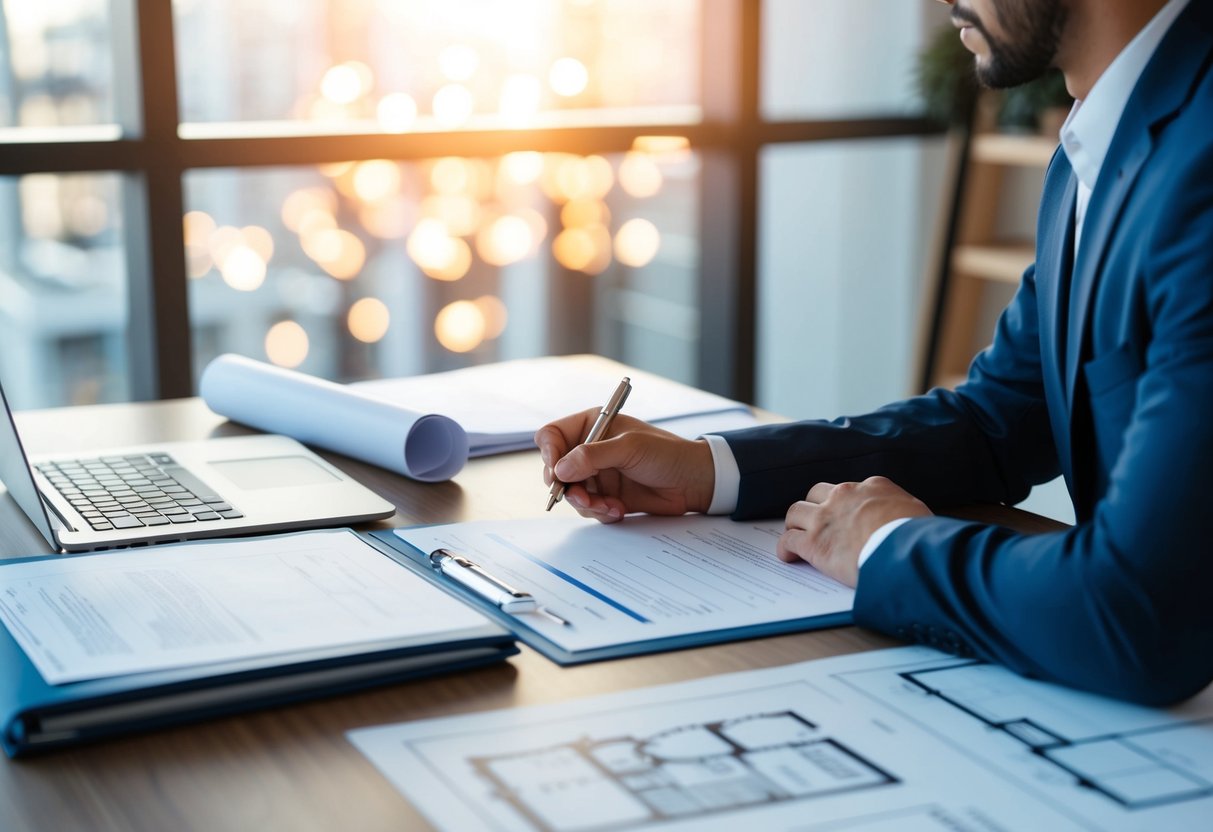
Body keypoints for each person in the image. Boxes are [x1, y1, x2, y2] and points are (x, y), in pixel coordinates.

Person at [536, 0, 1213, 706]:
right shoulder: (1099, 141)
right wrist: (708, 472)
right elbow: (996, 421)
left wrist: (887, 547)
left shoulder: (1195, 161)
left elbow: (1140, 613)